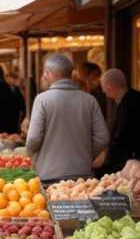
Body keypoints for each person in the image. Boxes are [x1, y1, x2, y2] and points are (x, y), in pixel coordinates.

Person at [26, 54, 110, 182]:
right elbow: (103, 137)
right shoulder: (89, 100)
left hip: (49, 176)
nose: (43, 76)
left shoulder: (41, 100)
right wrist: (86, 154)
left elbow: (33, 138)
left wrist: (34, 156)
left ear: (49, 73)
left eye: (44, 72)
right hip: (83, 176)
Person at [101, 68, 140, 173]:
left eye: (103, 86)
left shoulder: (135, 101)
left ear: (110, 85)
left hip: (134, 160)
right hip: (124, 160)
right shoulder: (123, 100)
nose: (103, 90)